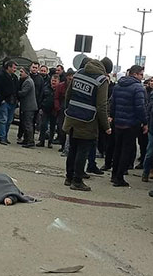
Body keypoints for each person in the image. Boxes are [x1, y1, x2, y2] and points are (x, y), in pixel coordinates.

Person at [61, 56, 111, 192]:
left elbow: (68, 94)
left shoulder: (79, 74)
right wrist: (106, 126)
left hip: (72, 117)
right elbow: (101, 106)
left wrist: (68, 110)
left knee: (73, 148)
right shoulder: (102, 80)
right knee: (83, 150)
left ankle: (69, 177)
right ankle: (77, 180)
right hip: (88, 120)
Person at [108, 66, 148, 187]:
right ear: (136, 74)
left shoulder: (118, 85)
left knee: (117, 149)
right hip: (131, 124)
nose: (142, 77)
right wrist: (145, 122)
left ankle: (114, 174)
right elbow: (140, 107)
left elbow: (112, 103)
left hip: (118, 122)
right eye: (141, 74)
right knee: (126, 150)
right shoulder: (138, 88)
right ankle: (120, 177)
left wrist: (113, 117)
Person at [0, 60, 19, 145]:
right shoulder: (1, 76)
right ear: (9, 67)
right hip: (4, 101)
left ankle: (5, 136)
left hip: (13, 102)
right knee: (3, 119)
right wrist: (1, 99)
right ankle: (2, 137)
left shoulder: (15, 78)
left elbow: (16, 89)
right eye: (14, 68)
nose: (15, 69)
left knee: (9, 120)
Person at [16, 65, 38, 149]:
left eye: (22, 72)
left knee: (28, 124)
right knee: (25, 124)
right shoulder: (27, 80)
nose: (20, 73)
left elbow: (23, 93)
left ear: (26, 73)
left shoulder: (28, 82)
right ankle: (26, 140)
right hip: (27, 106)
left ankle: (30, 141)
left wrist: (16, 92)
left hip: (29, 107)